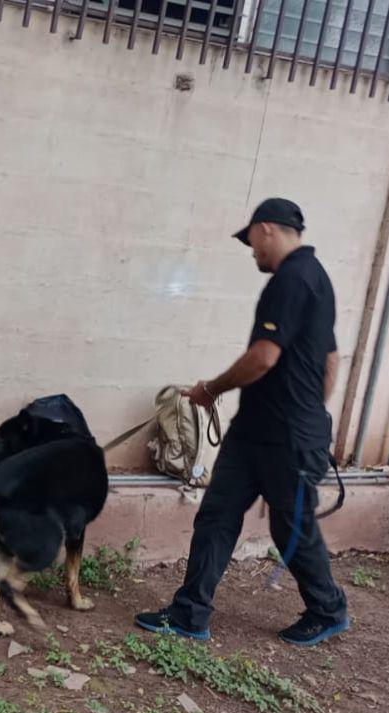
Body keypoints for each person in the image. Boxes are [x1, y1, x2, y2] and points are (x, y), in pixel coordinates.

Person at [135, 198, 349, 647]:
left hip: (286, 438)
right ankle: (191, 613)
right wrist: (312, 405)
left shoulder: (292, 280)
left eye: (250, 240)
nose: (251, 251)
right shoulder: (317, 280)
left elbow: (263, 357)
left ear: (267, 229)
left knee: (290, 527)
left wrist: (210, 390)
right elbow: (330, 359)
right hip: (255, 430)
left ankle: (328, 608)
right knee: (217, 514)